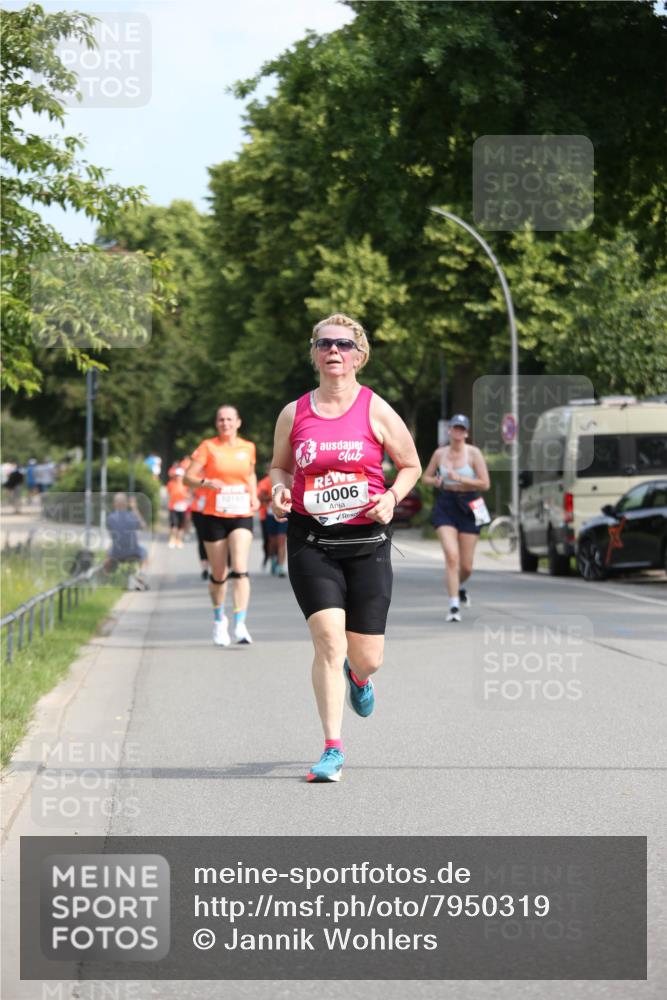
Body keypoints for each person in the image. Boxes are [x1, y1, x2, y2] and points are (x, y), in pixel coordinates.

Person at [271, 313, 421, 783]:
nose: (334, 351)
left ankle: (361, 679)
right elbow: (279, 468)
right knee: (329, 643)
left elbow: (411, 464)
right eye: (325, 344)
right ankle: (332, 748)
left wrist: (391, 498)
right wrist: (278, 490)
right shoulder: (294, 412)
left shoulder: (376, 409)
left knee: (366, 656)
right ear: (314, 352)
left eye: (344, 345)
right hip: (311, 541)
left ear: (359, 355)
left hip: (367, 543)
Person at [184, 405, 259, 646]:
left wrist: (255, 495)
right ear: (217, 424)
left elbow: (250, 474)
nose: (225, 423)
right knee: (219, 574)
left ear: (238, 422)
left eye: (229, 419)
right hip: (213, 514)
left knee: (240, 567)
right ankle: (219, 620)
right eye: (221, 420)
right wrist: (206, 482)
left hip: (240, 512)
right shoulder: (208, 447)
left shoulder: (248, 447)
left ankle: (240, 623)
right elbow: (187, 478)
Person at [422, 414, 490, 622]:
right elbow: (425, 477)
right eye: (455, 428)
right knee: (452, 557)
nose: (458, 432)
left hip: (469, 505)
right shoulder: (439, 454)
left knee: (467, 566)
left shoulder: (473, 454)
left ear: (466, 433)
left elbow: (485, 484)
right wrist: (437, 482)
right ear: (449, 431)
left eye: (462, 429)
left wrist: (460, 478)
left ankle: (459, 587)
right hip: (446, 504)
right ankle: (453, 607)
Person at [105, 493, 149, 589]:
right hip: (134, 552)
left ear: (114, 504)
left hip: (116, 553)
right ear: (126, 504)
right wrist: (135, 509)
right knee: (145, 552)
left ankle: (106, 579)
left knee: (107, 554)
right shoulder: (132, 516)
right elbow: (144, 527)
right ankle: (141, 576)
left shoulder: (110, 518)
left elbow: (112, 536)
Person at [166, 464, 190, 549]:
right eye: (177, 475)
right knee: (173, 525)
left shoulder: (186, 485)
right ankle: (172, 539)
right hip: (173, 506)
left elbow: (189, 495)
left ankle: (179, 540)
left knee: (181, 525)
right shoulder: (171, 484)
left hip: (182, 507)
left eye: (180, 475)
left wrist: (184, 496)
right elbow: (169, 493)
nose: (178, 477)